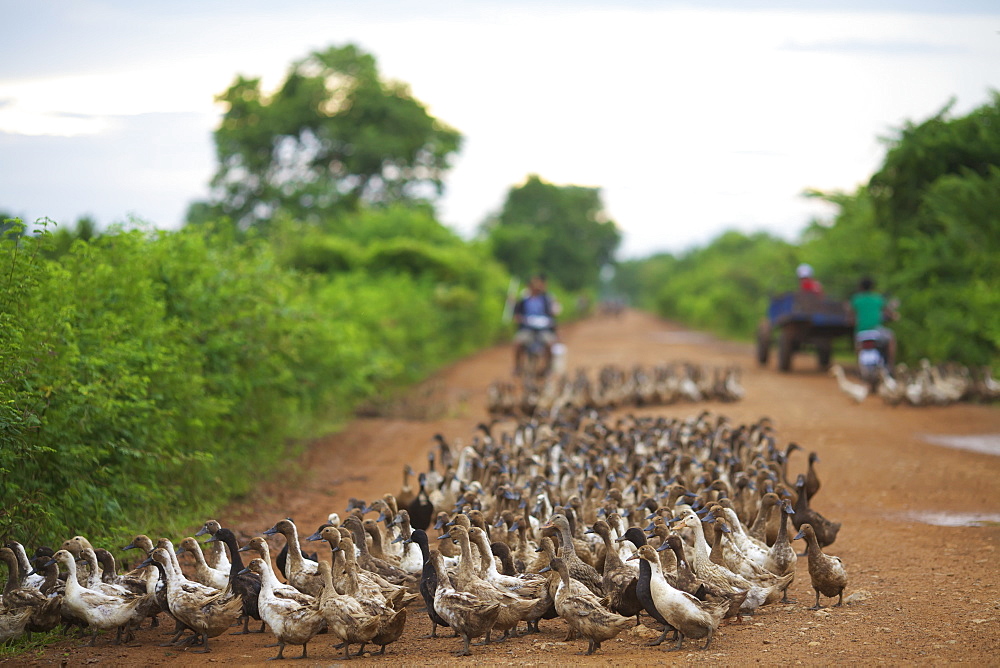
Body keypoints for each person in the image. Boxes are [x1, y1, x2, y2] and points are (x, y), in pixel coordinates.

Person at [512, 274, 559, 376]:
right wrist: (519, 318)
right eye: (534, 285)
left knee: (550, 344)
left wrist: (553, 313)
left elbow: (554, 312)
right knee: (518, 343)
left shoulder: (547, 299)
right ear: (529, 286)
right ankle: (518, 367)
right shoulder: (523, 299)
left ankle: (548, 368)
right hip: (527, 328)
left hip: (543, 329)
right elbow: (516, 314)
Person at [850, 276, 897, 367]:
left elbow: (851, 317)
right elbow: (888, 313)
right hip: (877, 331)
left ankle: (859, 368)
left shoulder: (856, 299)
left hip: (861, 331)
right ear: (872, 287)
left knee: (858, 347)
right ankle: (891, 366)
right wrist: (894, 317)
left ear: (861, 287)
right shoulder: (878, 299)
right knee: (891, 338)